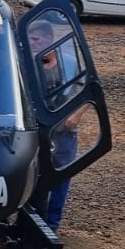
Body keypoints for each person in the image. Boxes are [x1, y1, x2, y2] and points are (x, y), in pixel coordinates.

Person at [27, 19, 81, 231]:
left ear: (49, 39)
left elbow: (86, 90)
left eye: (36, 39)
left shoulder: (70, 63)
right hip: (39, 130)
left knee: (61, 175)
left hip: (64, 132)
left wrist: (76, 116)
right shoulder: (27, 65)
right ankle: (30, 219)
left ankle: (51, 224)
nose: (32, 43)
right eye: (30, 39)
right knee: (33, 173)